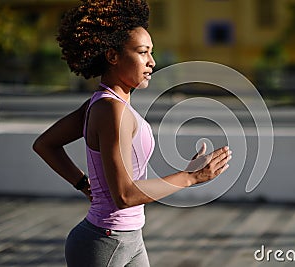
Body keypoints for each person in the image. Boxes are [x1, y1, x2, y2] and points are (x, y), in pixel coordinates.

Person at [32, 1, 232, 266]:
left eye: (151, 52)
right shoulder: (110, 109)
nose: (152, 61)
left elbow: (46, 144)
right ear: (113, 56)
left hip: (129, 238)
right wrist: (190, 177)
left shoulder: (106, 103)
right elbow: (124, 195)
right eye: (142, 52)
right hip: (105, 243)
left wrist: (85, 185)